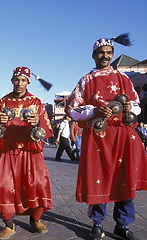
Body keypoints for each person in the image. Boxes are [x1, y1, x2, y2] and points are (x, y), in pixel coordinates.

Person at [66, 35, 147, 240]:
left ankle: (122, 225)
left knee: (124, 178)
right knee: (97, 179)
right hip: (98, 136)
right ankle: (97, 224)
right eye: (101, 52)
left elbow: (136, 105)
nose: (105, 56)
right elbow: (73, 109)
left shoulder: (124, 78)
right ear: (94, 55)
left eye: (109, 53)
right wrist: (94, 111)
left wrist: (130, 108)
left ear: (112, 55)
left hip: (122, 135)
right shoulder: (86, 80)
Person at [0, 67, 53, 239]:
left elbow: (47, 128)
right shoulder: (4, 101)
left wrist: (37, 122)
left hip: (30, 152)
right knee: (5, 186)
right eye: (16, 79)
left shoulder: (36, 101)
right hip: (8, 151)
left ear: (28, 82)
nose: (19, 83)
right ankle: (9, 224)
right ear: (11, 81)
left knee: (37, 184)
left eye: (23, 80)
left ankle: (35, 220)